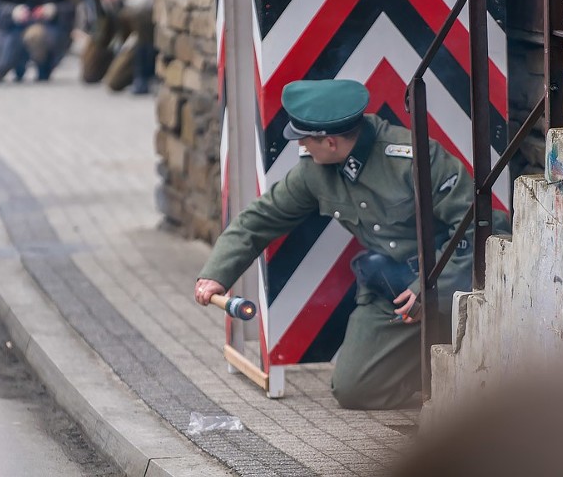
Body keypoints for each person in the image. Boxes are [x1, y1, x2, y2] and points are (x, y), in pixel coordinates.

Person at [194, 79, 481, 410]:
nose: (301, 145)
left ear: (329, 142)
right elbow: (258, 220)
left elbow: (478, 228)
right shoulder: (314, 172)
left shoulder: (415, 159)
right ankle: (432, 375)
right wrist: (216, 274)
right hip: (389, 290)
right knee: (352, 389)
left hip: (444, 284)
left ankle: (451, 362)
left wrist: (432, 291)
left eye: (305, 139)